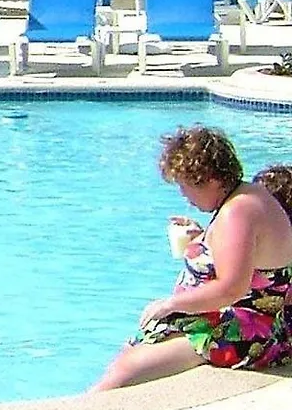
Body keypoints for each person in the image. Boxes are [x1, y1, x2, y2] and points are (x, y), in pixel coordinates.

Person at [92, 126, 292, 391]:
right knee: (130, 354)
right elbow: (245, 257)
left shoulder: (238, 213)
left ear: (210, 179)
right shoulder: (243, 198)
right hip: (237, 320)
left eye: (184, 186)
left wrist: (170, 304)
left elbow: (232, 288)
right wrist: (202, 239)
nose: (184, 196)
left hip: (248, 333)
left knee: (126, 370)